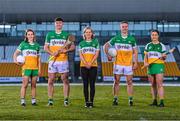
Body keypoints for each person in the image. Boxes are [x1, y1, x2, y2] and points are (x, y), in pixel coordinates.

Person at [104, 21, 138, 106]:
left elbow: (135, 51)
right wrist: (108, 55)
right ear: (120, 28)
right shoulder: (116, 38)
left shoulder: (132, 39)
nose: (124, 28)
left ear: (128, 28)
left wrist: (136, 62)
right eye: (123, 27)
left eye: (126, 26)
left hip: (128, 64)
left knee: (129, 82)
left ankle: (130, 99)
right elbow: (105, 46)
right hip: (118, 64)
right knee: (116, 81)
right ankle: (115, 99)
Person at [44, 17, 75, 106]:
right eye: (57, 23)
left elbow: (73, 47)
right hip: (53, 60)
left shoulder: (66, 35)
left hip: (63, 60)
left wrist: (66, 51)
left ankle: (66, 100)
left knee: (64, 80)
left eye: (60, 23)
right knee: (51, 80)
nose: (58, 24)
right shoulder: (49, 34)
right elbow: (46, 47)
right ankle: (50, 100)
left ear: (62, 24)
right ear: (55, 24)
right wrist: (52, 53)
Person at [13, 29, 41, 106]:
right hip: (26, 68)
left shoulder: (37, 45)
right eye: (28, 34)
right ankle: (22, 101)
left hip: (35, 68)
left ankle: (33, 101)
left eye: (32, 34)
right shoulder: (23, 44)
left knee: (33, 85)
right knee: (25, 85)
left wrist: (39, 69)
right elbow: (15, 53)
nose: (30, 36)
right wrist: (15, 60)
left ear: (34, 35)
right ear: (26, 36)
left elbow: (39, 59)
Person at [143, 30, 167, 107]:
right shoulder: (148, 45)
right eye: (152, 35)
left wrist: (163, 56)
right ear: (151, 36)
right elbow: (145, 56)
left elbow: (164, 57)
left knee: (159, 84)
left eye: (155, 35)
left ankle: (162, 101)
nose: (154, 36)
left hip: (159, 65)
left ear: (158, 36)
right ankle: (154, 101)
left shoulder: (162, 45)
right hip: (150, 66)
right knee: (153, 84)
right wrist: (145, 63)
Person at [79, 26, 100, 108]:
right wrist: (85, 63)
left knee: (92, 84)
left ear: (92, 33)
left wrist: (90, 63)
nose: (88, 33)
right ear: (84, 34)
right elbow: (81, 55)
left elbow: (97, 54)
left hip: (93, 66)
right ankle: (86, 102)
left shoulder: (96, 42)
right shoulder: (81, 43)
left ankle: (91, 102)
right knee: (85, 84)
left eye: (89, 32)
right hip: (83, 66)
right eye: (86, 32)